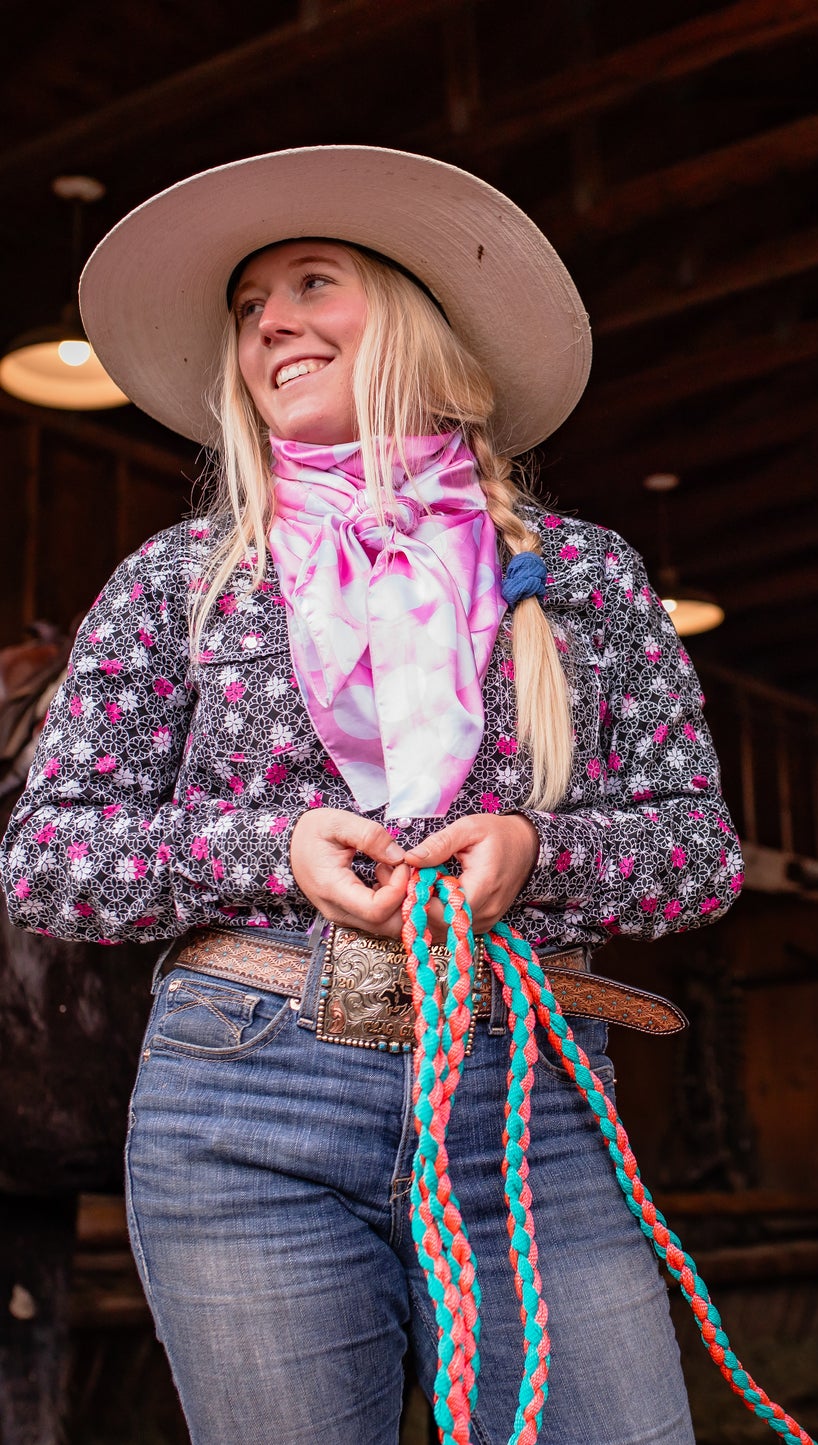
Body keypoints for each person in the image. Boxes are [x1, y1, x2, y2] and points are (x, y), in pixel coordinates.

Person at [0, 146, 744, 1445]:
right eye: (248, 309)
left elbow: (698, 849)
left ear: (410, 315)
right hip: (244, 1096)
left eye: (311, 283)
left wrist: (536, 849)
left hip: (533, 1094)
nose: (268, 322)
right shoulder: (181, 575)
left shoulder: (581, 573)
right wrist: (271, 845)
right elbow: (47, 858)